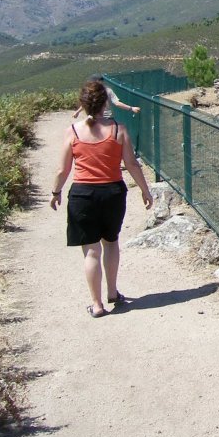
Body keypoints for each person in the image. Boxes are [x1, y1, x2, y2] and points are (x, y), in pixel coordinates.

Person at [51, 79, 153, 318]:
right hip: (113, 193)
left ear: (83, 104)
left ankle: (97, 305)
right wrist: (145, 190)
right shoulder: (118, 129)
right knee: (111, 242)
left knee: (91, 251)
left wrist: (56, 192)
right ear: (105, 103)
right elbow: (132, 164)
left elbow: (63, 170)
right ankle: (113, 292)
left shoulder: (73, 131)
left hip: (82, 196)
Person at [72, 74, 140, 119]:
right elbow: (117, 103)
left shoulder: (92, 91)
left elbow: (87, 102)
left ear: (98, 81)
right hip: (107, 118)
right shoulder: (108, 90)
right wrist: (131, 108)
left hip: (96, 117)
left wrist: (77, 112)